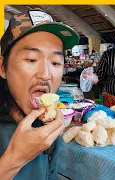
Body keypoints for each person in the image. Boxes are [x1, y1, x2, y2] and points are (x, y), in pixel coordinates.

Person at [0, 10, 79, 179]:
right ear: (2, 67)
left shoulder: (47, 131)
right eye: (31, 59)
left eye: (56, 62)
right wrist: (13, 159)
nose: (45, 74)